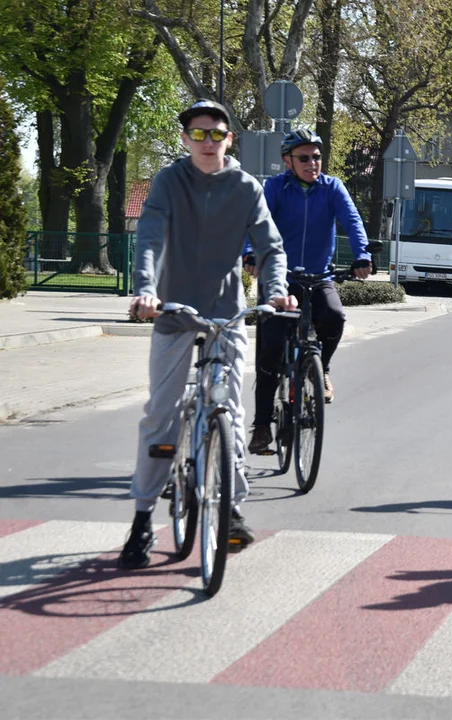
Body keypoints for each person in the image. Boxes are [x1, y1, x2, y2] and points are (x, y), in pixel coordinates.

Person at [121, 99, 296, 570]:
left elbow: (270, 246)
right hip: (175, 312)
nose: (206, 142)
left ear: (228, 140)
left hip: (226, 316)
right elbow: (151, 237)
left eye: (215, 134)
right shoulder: (169, 181)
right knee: (160, 417)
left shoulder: (245, 188)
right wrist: (145, 292)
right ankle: (141, 521)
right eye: (197, 134)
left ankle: (232, 510)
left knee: (231, 411)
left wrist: (275, 291)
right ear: (185, 139)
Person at [247, 129, 372, 455]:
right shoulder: (274, 188)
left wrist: (363, 255)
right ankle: (261, 426)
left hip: (320, 276)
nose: (312, 163)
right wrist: (251, 253)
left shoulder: (332, 188)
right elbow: (256, 222)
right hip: (279, 279)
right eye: (304, 157)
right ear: (288, 161)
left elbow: (352, 220)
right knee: (271, 351)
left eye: (317, 156)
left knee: (334, 316)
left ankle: (322, 368)